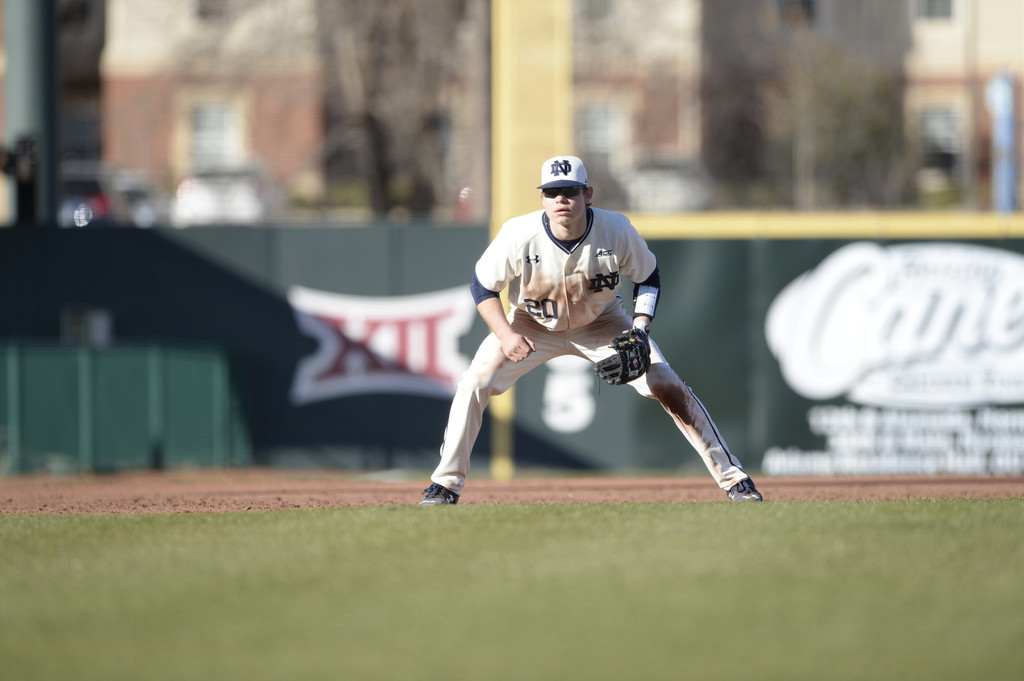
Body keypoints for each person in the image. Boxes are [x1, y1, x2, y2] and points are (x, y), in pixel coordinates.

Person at [419, 155, 762, 504]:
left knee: (666, 383)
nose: (561, 200)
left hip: (603, 323)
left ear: (588, 194)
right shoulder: (519, 234)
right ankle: (445, 485)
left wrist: (640, 329)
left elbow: (647, 277)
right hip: (531, 323)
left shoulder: (616, 230)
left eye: (569, 191)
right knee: (474, 382)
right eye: (552, 193)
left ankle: (735, 480)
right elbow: (482, 287)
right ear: (542, 198)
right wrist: (506, 334)